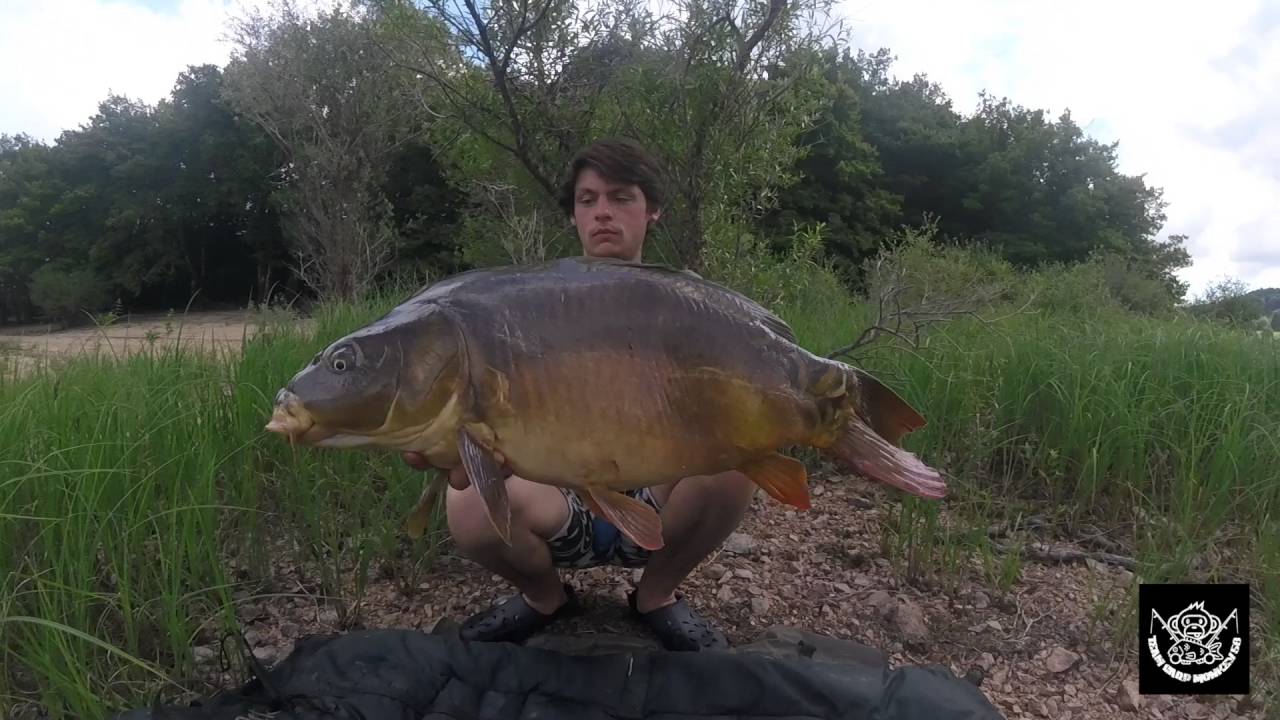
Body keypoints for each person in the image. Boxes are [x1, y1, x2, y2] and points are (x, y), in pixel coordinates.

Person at [400, 138, 757, 651]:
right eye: (587, 200)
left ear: (653, 209)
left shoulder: (691, 305)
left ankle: (656, 595)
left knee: (737, 465)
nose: (602, 213)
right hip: (555, 494)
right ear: (573, 215)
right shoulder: (536, 303)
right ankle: (547, 598)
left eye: (620, 197)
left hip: (654, 494)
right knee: (468, 501)